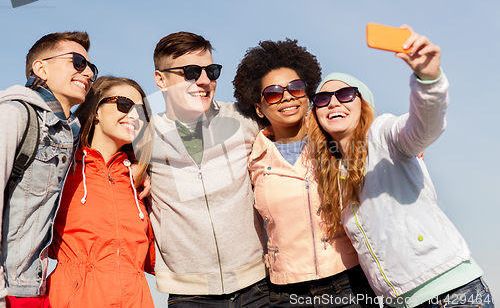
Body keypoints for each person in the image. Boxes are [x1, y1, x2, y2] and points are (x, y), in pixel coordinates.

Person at [308, 26, 494, 308]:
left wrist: (428, 80)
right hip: (400, 303)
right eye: (322, 99)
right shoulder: (333, 173)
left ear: (363, 104)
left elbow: (424, 127)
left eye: (345, 94)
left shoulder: (383, 136)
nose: (333, 101)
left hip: (452, 294)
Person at [233, 39, 377, 307]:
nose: (287, 96)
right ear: (258, 107)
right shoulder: (250, 157)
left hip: (349, 281)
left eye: (295, 88)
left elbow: (373, 130)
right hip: (285, 293)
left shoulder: (338, 140)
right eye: (274, 93)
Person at [148, 31, 269, 307]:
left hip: (258, 285)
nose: (204, 81)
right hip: (190, 294)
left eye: (211, 71)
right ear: (161, 80)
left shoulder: (243, 118)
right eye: (190, 72)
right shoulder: (143, 136)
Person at [0, 32, 97, 308]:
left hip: (39, 288)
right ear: (41, 68)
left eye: (92, 68)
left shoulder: (72, 133)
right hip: (8, 289)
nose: (88, 72)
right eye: (78, 62)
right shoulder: (15, 114)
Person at [46, 76, 155, 307]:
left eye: (142, 111)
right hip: (74, 298)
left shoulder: (140, 181)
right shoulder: (63, 168)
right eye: (124, 104)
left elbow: (156, 259)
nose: (134, 116)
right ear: (96, 110)